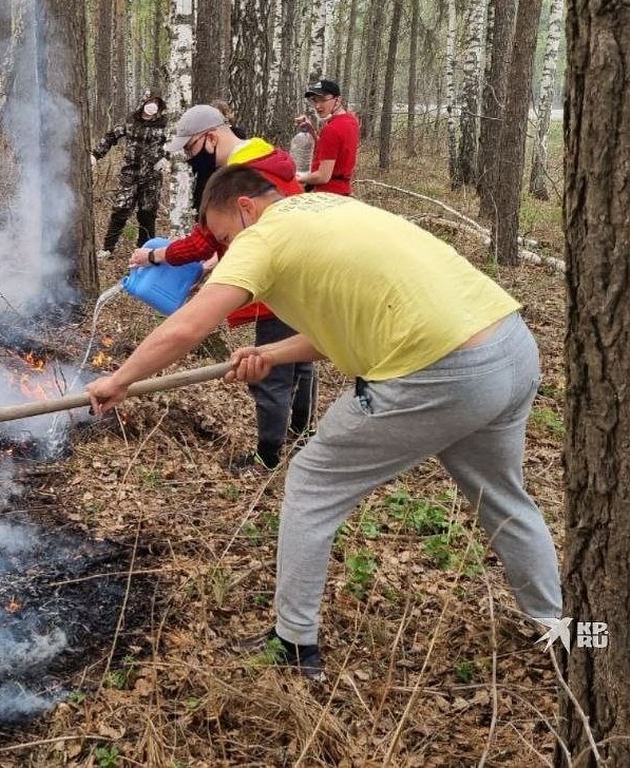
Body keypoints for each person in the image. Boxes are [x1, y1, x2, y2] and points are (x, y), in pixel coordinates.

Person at [87, 167, 563, 678]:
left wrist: (121, 379)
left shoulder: (264, 235)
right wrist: (271, 351)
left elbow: (190, 323)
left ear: (245, 207)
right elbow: (356, 318)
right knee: (504, 498)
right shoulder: (328, 209)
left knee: (311, 482)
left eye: (223, 236)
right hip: (508, 347)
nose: (226, 249)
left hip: (439, 371)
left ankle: (293, 645)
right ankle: (563, 629)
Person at [134, 104, 316, 472]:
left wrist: (154, 257)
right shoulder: (269, 161)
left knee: (270, 370)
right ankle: (302, 434)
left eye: (190, 149)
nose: (189, 159)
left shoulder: (241, 175)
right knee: (300, 362)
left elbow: (201, 242)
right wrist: (222, 253)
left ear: (211, 138)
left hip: (276, 282)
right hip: (303, 275)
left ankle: (266, 460)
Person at [92, 92, 169, 259]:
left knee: (147, 213)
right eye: (150, 101)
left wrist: (165, 158)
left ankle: (145, 250)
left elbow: (173, 144)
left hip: (152, 176)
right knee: (121, 209)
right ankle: (107, 249)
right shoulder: (130, 122)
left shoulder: (163, 125)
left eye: (156, 103)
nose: (153, 106)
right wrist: (96, 155)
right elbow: (111, 136)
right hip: (130, 174)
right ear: (143, 102)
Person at [299, 79, 359, 195]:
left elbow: (323, 176)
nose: (317, 106)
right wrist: (312, 131)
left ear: (338, 100)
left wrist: (298, 178)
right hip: (343, 191)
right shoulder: (351, 121)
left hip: (326, 195)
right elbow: (331, 150)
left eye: (323, 100)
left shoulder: (331, 129)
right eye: (315, 100)